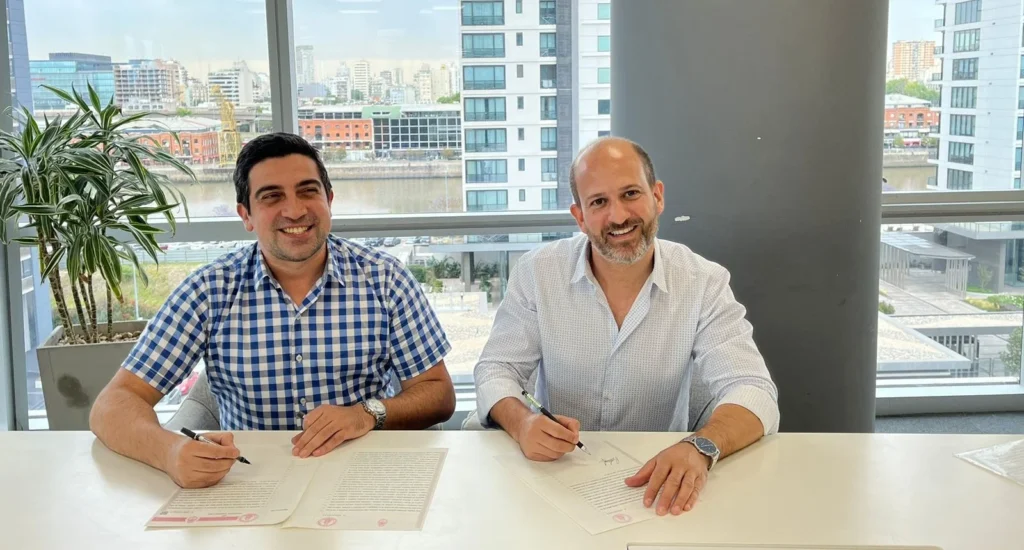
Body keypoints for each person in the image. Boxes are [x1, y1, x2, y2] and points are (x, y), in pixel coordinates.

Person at [91, 133, 455, 488]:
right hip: (247, 483)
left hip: (360, 480)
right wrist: (169, 451)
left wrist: (367, 414)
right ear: (246, 215)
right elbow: (113, 405)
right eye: (271, 196)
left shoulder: (385, 278)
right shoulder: (209, 290)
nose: (295, 210)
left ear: (329, 200)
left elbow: (438, 394)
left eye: (308, 191)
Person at [474, 137, 779, 517]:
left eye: (630, 194)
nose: (618, 217)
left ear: (657, 196)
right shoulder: (538, 273)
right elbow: (496, 369)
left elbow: (753, 389)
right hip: (554, 476)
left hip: (659, 480)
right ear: (580, 217)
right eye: (598, 202)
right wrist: (522, 423)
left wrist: (701, 446)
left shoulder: (703, 282)